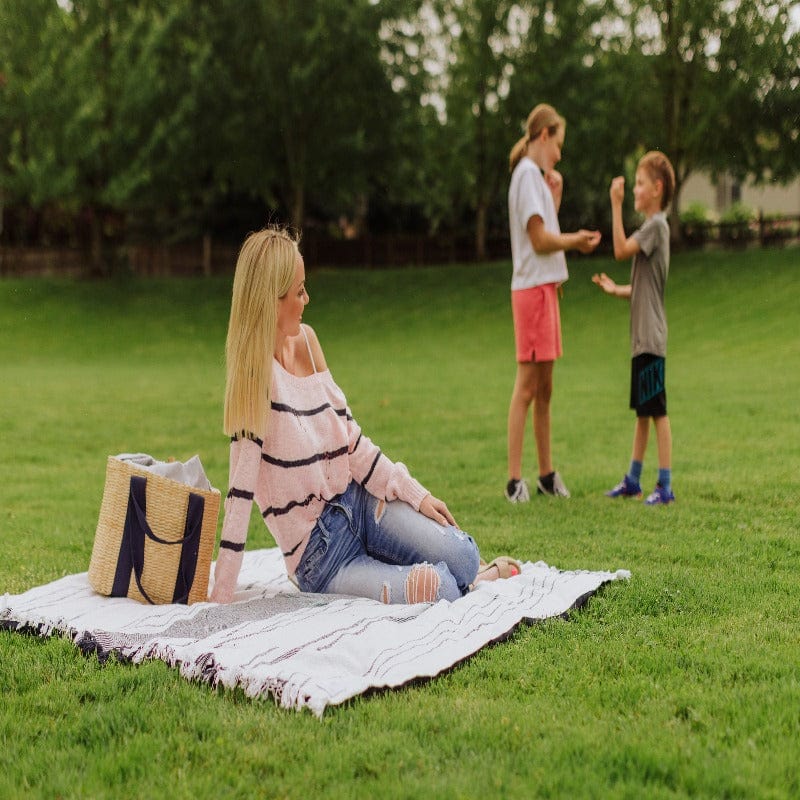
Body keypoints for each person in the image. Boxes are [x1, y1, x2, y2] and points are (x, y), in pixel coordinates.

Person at [210, 226, 520, 604]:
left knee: (465, 557)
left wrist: (415, 494)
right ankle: (441, 579)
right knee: (440, 589)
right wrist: (222, 594)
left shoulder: (308, 341)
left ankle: (464, 574)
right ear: (271, 302)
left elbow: (351, 442)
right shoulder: (254, 382)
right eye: (299, 291)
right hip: (322, 557)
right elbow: (239, 497)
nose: (307, 299)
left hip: (360, 503)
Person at [505, 103, 602, 503]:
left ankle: (545, 475)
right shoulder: (527, 174)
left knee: (546, 388)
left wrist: (555, 199)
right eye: (558, 144)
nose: (559, 154)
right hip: (532, 293)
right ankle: (514, 482)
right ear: (543, 135)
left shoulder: (536, 180)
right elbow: (540, 241)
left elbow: (543, 233)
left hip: (545, 288)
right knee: (527, 386)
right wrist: (577, 240)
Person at [592, 150, 676, 505]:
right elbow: (645, 288)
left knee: (657, 412)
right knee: (643, 413)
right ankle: (633, 480)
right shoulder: (653, 228)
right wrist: (618, 290)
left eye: (640, 183)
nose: (636, 190)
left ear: (657, 189)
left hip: (651, 340)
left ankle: (665, 487)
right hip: (643, 339)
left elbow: (620, 249)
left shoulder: (655, 226)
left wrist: (614, 205)